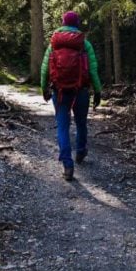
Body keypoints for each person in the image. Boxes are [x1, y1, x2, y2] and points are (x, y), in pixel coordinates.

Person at [40, 11, 102, 181]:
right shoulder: (84, 44)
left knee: (62, 127)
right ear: (77, 24)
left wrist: (43, 88)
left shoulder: (54, 43)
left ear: (63, 23)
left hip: (59, 91)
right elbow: (93, 70)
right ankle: (81, 151)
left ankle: (67, 165)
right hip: (80, 91)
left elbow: (45, 68)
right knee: (81, 122)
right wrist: (97, 91)